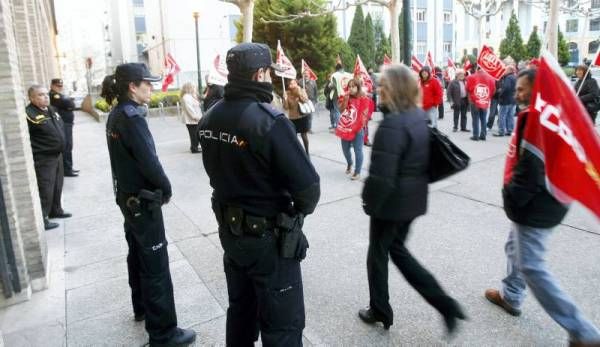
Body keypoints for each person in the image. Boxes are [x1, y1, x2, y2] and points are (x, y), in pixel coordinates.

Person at [197, 42, 320, 347]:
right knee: (282, 324)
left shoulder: (210, 117)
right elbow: (309, 190)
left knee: (241, 311)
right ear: (261, 74)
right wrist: (295, 210)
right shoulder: (269, 121)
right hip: (268, 241)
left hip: (230, 234)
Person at [485, 69, 600, 347]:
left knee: (532, 266)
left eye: (523, 89)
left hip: (538, 205)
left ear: (538, 91)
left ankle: (584, 332)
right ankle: (511, 295)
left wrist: (511, 199)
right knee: (514, 247)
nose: (517, 93)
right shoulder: (552, 113)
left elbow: (529, 171)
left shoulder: (539, 119)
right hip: (549, 200)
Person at [359, 64, 466, 336]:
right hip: (412, 202)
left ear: (395, 90)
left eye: (383, 86)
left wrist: (368, 203)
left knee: (380, 255)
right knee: (394, 252)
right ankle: (442, 305)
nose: (378, 90)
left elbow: (381, 177)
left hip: (391, 205)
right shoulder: (417, 117)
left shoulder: (391, 125)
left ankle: (385, 309)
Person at [103, 63, 196, 347]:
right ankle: (163, 333)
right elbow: (149, 162)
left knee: (137, 254)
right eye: (147, 83)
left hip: (128, 199)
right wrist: (166, 188)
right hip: (143, 202)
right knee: (155, 266)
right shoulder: (132, 118)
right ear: (133, 86)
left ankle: (141, 306)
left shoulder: (117, 114)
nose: (152, 88)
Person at [26, 85, 71, 230]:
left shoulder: (51, 110)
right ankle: (44, 218)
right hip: (44, 157)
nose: (45, 97)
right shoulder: (29, 113)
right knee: (46, 188)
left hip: (57, 155)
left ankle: (56, 210)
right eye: (40, 95)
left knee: (57, 185)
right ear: (31, 98)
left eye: (46, 94)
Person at [337, 78, 371, 180]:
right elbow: (341, 110)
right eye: (349, 86)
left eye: (353, 86)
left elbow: (364, 115)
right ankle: (350, 163)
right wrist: (345, 100)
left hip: (357, 129)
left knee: (358, 150)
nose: (351, 89)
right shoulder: (345, 97)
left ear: (358, 87)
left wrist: (356, 128)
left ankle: (357, 172)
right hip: (346, 128)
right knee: (345, 150)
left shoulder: (363, 98)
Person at [49, 78, 79, 177]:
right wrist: (69, 103)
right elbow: (70, 104)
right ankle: (67, 170)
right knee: (66, 147)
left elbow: (71, 105)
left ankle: (69, 168)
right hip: (64, 124)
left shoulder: (60, 95)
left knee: (68, 146)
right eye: (58, 86)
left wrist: (69, 104)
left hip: (67, 124)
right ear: (52, 85)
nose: (60, 88)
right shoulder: (54, 96)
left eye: (61, 86)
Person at [466, 66, 496, 141]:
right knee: (483, 118)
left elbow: (467, 88)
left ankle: (475, 135)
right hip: (484, 101)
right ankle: (483, 134)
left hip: (474, 101)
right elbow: (493, 90)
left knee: (475, 118)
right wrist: (488, 97)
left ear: (477, 68)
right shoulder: (491, 78)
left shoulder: (471, 77)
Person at [283, 79, 311, 154]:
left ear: (297, 83)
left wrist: (299, 93)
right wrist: (285, 99)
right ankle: (297, 152)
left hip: (302, 116)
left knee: (304, 135)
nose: (292, 85)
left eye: (294, 83)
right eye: (290, 84)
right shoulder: (287, 93)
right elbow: (286, 107)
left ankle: (307, 152)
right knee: (293, 136)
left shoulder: (302, 90)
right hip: (293, 118)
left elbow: (305, 101)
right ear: (288, 85)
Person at [494, 66, 517, 137]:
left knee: (502, 116)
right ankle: (510, 130)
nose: (504, 71)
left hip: (505, 100)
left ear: (509, 70)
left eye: (505, 70)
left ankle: (501, 131)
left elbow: (506, 88)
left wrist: (500, 94)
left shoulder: (508, 78)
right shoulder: (515, 77)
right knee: (510, 116)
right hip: (513, 100)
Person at [180, 82, 202, 153]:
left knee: (195, 134)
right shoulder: (186, 97)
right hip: (192, 120)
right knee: (194, 134)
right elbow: (189, 108)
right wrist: (195, 117)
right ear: (189, 88)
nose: (195, 88)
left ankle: (194, 147)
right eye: (194, 87)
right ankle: (194, 148)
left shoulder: (190, 95)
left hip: (194, 119)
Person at [328, 63, 346, 131]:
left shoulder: (334, 75)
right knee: (344, 110)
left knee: (337, 111)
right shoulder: (346, 74)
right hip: (345, 94)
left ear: (336, 69)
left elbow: (331, 85)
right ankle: (345, 125)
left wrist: (330, 86)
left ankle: (338, 127)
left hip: (336, 95)